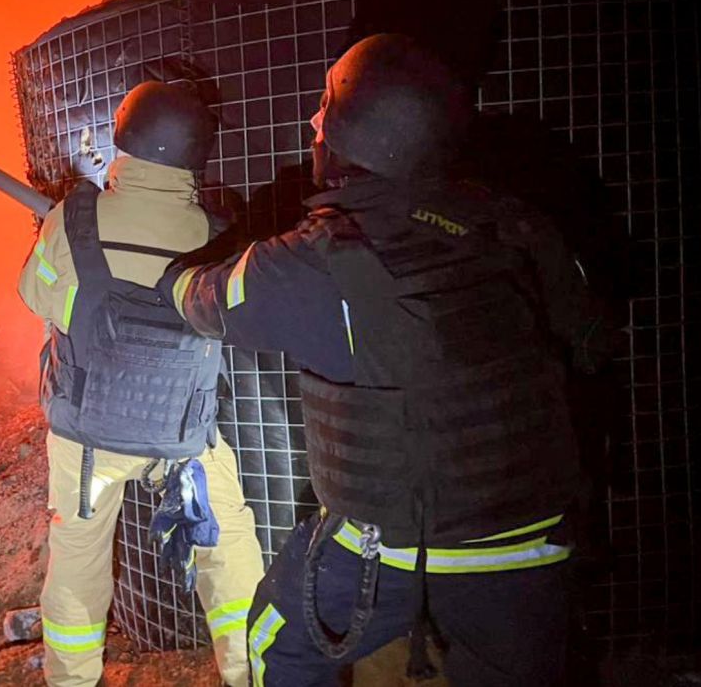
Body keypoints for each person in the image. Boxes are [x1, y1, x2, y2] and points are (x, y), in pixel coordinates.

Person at [157, 35, 614, 686]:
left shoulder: (317, 259)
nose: (314, 122)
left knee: (276, 643)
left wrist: (166, 274)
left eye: (325, 109)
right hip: (531, 539)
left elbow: (201, 300)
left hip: (388, 545)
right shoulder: (515, 224)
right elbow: (591, 340)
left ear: (353, 132)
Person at [18, 80, 265, 687]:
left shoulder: (71, 219)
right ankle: (251, 674)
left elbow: (33, 296)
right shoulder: (219, 231)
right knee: (229, 547)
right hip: (184, 438)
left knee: (78, 559)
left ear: (123, 137)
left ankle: (73, 680)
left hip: (89, 438)